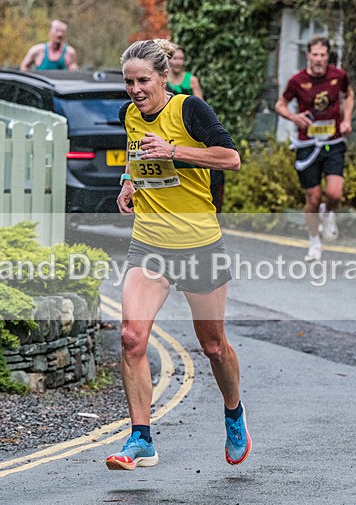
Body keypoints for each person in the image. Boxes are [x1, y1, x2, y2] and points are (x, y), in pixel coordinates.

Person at [105, 39, 250, 471]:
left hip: (198, 243)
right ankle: (141, 439)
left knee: (212, 346)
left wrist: (175, 151)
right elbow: (137, 154)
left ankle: (234, 413)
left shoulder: (190, 110)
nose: (135, 89)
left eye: (143, 80)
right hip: (148, 242)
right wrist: (128, 181)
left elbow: (231, 158)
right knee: (132, 338)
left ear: (163, 77)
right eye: (128, 81)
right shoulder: (128, 115)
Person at [275, 35, 354, 261]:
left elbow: (349, 94)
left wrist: (346, 119)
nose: (319, 59)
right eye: (315, 54)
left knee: (334, 193)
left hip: (333, 141)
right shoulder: (297, 80)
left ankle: (328, 213)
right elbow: (279, 105)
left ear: (327, 56)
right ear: (308, 55)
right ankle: (314, 242)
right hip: (307, 145)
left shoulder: (338, 76)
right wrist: (294, 117)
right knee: (313, 198)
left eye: (323, 54)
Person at [166, 46, 227, 212]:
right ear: (168, 60)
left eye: (181, 59)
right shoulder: (163, 81)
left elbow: (200, 105)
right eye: (174, 58)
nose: (177, 62)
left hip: (187, 126)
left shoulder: (191, 80)